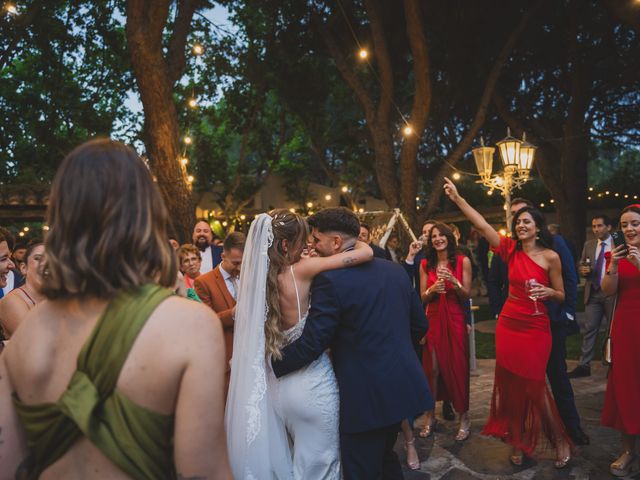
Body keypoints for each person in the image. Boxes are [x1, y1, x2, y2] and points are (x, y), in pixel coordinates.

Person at [0, 139, 232, 478]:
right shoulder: (191, 326)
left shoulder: (27, 336)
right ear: (145, 212)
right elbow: (205, 471)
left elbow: (7, 466)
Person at [269, 207, 433, 479]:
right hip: (401, 386)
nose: (314, 247)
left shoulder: (328, 280)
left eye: (317, 240)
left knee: (362, 469)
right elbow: (420, 325)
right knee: (386, 457)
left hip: (363, 397)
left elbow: (313, 342)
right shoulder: (395, 271)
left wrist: (271, 365)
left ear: (335, 242)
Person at [225, 208, 376, 479]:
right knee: (322, 466)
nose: (308, 246)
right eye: (303, 242)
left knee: (291, 463)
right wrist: (357, 237)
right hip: (311, 387)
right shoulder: (301, 271)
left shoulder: (252, 284)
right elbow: (365, 253)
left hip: (275, 389)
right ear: (285, 244)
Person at [443, 178, 573, 468]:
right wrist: (458, 199)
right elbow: (482, 226)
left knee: (535, 386)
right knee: (512, 386)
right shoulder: (509, 249)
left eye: (526, 221)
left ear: (538, 227)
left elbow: (562, 295)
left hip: (537, 328)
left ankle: (560, 440)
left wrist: (550, 293)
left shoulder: (551, 257)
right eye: (518, 222)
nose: (521, 226)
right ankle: (518, 440)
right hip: (510, 325)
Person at [509, 198, 588, 446]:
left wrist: (565, 313)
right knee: (523, 381)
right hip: (520, 323)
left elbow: (570, 278)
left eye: (523, 216)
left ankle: (572, 429)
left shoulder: (555, 245)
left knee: (557, 377)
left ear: (535, 221)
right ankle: (523, 432)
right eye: (514, 217)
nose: (518, 221)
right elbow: (498, 280)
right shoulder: (512, 250)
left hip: (551, 320)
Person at [418, 223, 472, 442]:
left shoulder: (462, 261)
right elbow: (421, 296)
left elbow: (466, 294)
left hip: (455, 316)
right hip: (433, 318)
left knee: (458, 366)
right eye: (434, 236)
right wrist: (431, 290)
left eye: (441, 235)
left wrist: (453, 281)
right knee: (432, 369)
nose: (438, 239)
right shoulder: (425, 263)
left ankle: (464, 417)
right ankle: (430, 416)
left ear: (449, 237)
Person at [600, 204, 640, 477]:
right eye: (625, 224)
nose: (629, 229)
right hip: (627, 328)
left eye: (635, 223)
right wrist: (613, 265)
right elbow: (607, 291)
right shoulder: (615, 255)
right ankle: (628, 450)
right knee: (628, 388)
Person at [195, 231, 246, 397]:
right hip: (224, 360)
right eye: (235, 263)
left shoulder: (248, 277)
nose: (239, 268)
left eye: (243, 263)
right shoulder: (204, 282)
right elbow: (206, 322)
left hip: (249, 356)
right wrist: (232, 313)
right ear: (223, 255)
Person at [569, 215, 615, 379]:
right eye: (594, 226)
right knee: (590, 329)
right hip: (593, 292)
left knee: (613, 331)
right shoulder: (589, 245)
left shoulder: (617, 244)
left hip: (612, 293)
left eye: (600, 226)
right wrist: (583, 270)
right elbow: (582, 263)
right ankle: (584, 365)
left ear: (608, 227)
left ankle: (612, 364)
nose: (596, 229)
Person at [0, 241, 45, 340]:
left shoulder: (61, 299)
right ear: (24, 268)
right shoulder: (12, 301)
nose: (46, 264)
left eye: (53, 260)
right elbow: (35, 342)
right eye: (38, 258)